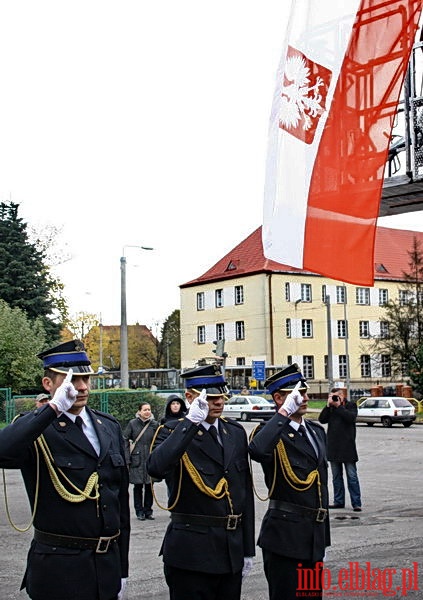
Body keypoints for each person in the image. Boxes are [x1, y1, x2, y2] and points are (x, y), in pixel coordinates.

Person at [0, 340, 130, 600]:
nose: (81, 387)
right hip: (59, 571)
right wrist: (53, 408)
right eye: (71, 380)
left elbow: (120, 502)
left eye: (86, 379)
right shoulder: (36, 428)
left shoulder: (108, 426)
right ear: (48, 385)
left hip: (106, 569)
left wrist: (122, 569)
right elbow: (4, 452)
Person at [147, 363, 255, 600]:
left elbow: (243, 493)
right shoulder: (172, 431)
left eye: (222, 396)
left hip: (230, 550)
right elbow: (155, 468)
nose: (219, 402)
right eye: (211, 397)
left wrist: (247, 549)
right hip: (192, 554)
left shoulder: (234, 432)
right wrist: (189, 424)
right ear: (189, 397)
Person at [249, 364, 330, 600]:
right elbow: (257, 450)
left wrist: (322, 537)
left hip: (313, 536)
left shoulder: (316, 431)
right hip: (284, 537)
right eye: (296, 394)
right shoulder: (269, 432)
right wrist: (283, 413)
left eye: (304, 393)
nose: (303, 398)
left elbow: (320, 485)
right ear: (278, 398)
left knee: (312, 596)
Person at [318, 388, 362, 511]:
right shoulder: (330, 409)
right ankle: (338, 501)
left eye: (336, 396)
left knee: (352, 476)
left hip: (348, 447)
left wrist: (339, 407)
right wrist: (328, 406)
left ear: (342, 396)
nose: (333, 399)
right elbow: (322, 419)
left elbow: (351, 418)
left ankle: (356, 503)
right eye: (331, 396)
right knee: (336, 477)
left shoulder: (350, 405)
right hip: (333, 447)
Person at [123, 401, 159, 521]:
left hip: (150, 458)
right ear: (139, 411)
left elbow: (159, 440)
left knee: (150, 487)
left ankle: (148, 511)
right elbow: (125, 439)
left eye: (149, 409)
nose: (147, 412)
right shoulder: (132, 424)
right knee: (138, 487)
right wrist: (127, 458)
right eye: (145, 410)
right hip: (137, 459)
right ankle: (139, 511)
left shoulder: (154, 424)